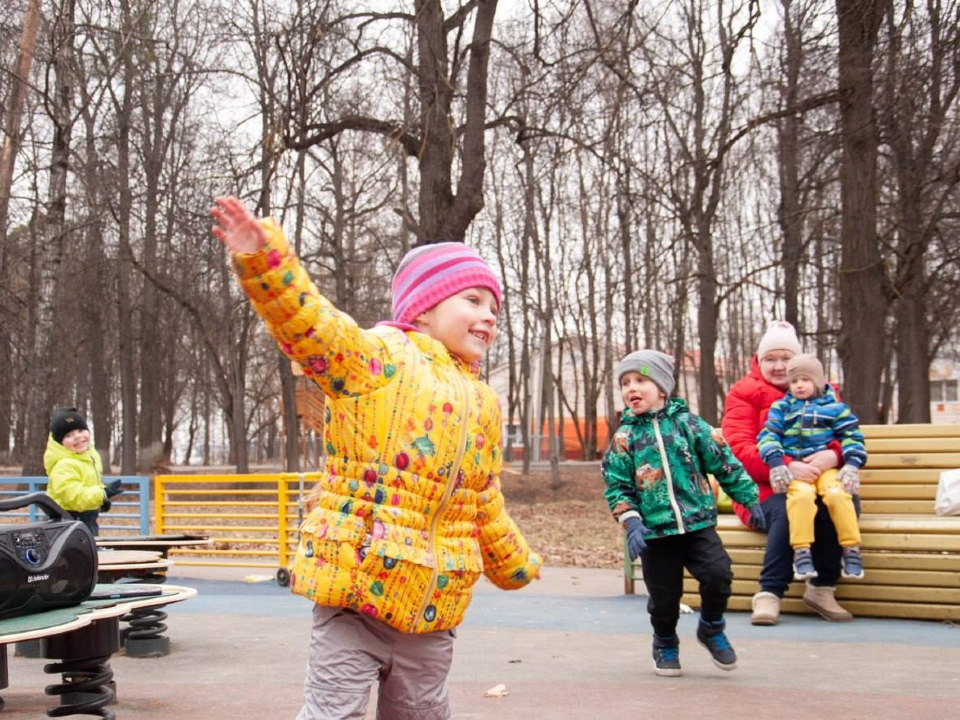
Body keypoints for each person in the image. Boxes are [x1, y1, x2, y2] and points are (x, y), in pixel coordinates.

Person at [210, 196, 541, 720]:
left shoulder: (485, 403)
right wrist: (264, 261)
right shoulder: (378, 360)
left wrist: (514, 560)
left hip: (433, 610)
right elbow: (309, 325)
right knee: (333, 713)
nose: (487, 318)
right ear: (425, 308)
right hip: (356, 593)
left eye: (493, 310)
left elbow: (482, 497)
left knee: (423, 714)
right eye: (473, 301)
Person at [601, 350, 765, 677]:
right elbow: (617, 485)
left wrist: (749, 498)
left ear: (662, 388)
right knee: (664, 598)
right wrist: (631, 521)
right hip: (655, 534)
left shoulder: (690, 425)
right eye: (625, 383)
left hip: (697, 525)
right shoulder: (625, 438)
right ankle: (664, 641)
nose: (631, 388)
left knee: (719, 575)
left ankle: (711, 627)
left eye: (640, 380)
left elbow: (724, 462)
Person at [721, 321, 854, 625]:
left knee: (837, 501)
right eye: (771, 359)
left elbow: (847, 436)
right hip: (761, 490)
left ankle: (821, 588)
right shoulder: (744, 393)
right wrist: (784, 465)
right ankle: (769, 594)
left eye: (786, 359)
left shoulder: (824, 391)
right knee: (790, 510)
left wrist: (833, 455)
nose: (779, 367)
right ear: (759, 360)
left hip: (816, 482)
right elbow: (738, 448)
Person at [757, 354, 867, 581]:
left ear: (817, 381)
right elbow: (768, 436)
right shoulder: (782, 408)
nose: (799, 385)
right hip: (797, 469)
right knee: (801, 498)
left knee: (838, 494)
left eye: (805, 380)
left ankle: (851, 549)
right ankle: (802, 551)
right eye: (794, 381)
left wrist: (852, 464)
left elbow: (852, 437)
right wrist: (777, 463)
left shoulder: (835, 409)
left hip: (825, 469)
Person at [44, 407, 121, 536]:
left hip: (86, 518)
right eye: (68, 435)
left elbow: (89, 483)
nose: (78, 437)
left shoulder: (90, 456)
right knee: (77, 554)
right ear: (59, 443)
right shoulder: (64, 464)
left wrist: (100, 500)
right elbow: (74, 496)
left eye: (80, 430)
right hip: (66, 521)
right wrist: (101, 494)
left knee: (90, 551)